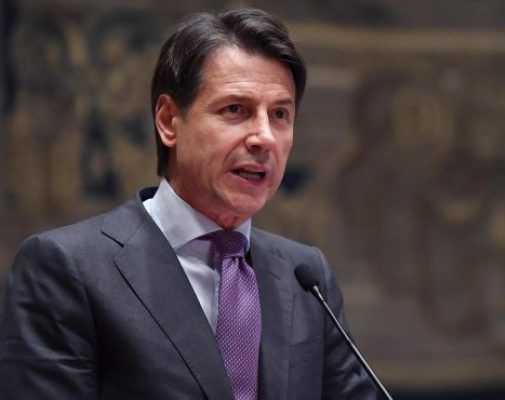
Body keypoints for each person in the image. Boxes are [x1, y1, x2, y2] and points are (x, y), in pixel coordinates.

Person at [0, 9, 378, 400]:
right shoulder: (67, 267)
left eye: (280, 114)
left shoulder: (306, 277)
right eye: (235, 110)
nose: (264, 137)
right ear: (167, 121)